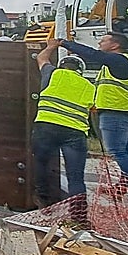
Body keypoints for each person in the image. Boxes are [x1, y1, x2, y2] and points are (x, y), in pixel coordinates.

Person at [52, 32, 128, 194]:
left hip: (116, 112)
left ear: (115, 45)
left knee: (117, 152)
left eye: (104, 40)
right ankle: (126, 184)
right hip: (124, 111)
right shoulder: (123, 63)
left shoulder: (117, 60)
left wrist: (64, 43)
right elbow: (127, 87)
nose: (100, 43)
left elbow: (93, 54)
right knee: (125, 151)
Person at [31, 41, 95, 221]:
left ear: (62, 65)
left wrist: (52, 46)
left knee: (41, 164)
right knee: (75, 176)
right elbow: (95, 108)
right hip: (75, 133)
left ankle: (44, 201)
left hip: (46, 127)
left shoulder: (52, 73)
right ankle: (79, 216)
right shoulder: (89, 86)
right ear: (80, 71)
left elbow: (41, 58)